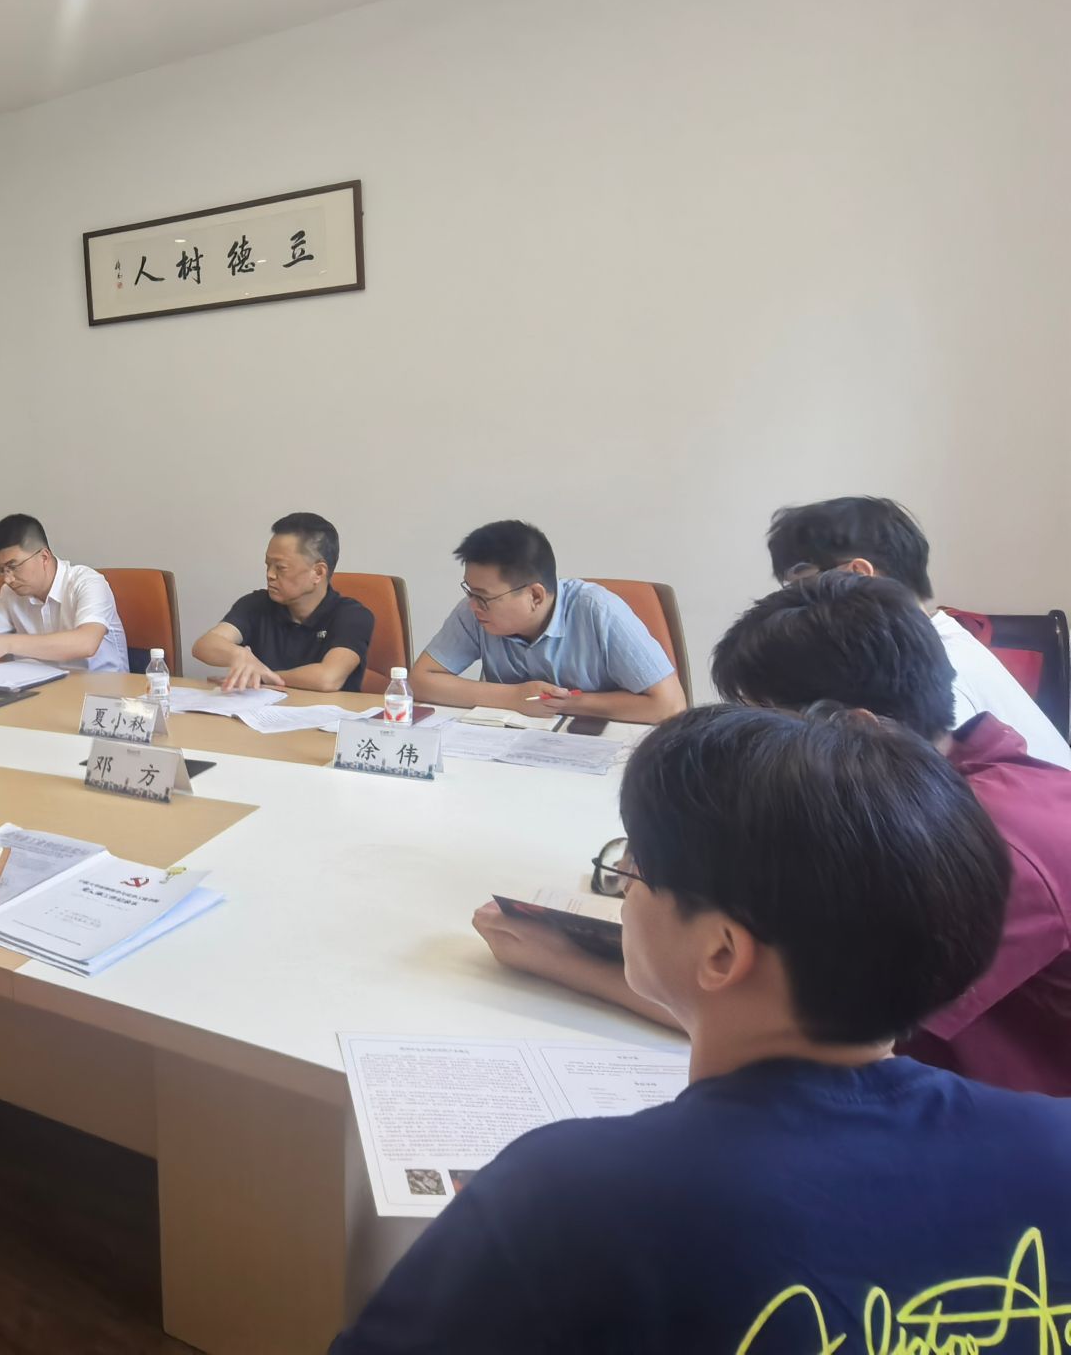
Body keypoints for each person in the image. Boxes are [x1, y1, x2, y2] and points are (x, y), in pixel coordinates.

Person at [335, 704, 1071, 1354]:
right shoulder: (1053, 1146)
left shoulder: (571, 1196)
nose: (623, 896)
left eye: (634, 872)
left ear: (720, 952)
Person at [477, 570, 1071, 1097]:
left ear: (853, 726)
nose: (751, 751)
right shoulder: (920, 787)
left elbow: (808, 1028)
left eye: (767, 725)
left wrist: (564, 960)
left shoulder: (988, 843)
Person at [766, 494, 1071, 768]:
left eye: (800, 586)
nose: (793, 605)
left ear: (858, 576)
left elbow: (926, 801)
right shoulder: (932, 646)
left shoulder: (932, 675)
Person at [406, 520, 685, 723]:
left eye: (484, 597)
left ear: (535, 596)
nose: (473, 604)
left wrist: (564, 703)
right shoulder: (474, 612)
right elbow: (420, 681)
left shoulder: (599, 611)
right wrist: (513, 698)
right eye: (470, 591)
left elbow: (670, 705)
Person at [190, 513, 373, 692]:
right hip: (263, 711)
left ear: (318, 572)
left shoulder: (352, 616)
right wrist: (240, 655)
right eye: (268, 565)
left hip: (328, 713)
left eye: (280, 567)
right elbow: (204, 645)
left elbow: (328, 678)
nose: (270, 574)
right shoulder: (256, 604)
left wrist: (262, 676)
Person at [0, 513, 127, 672]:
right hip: (43, 691)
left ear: (44, 557)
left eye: (13, 567)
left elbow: (86, 643)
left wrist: (7, 644)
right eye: (0, 569)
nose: (7, 578)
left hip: (100, 693)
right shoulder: (10, 593)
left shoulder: (88, 582)